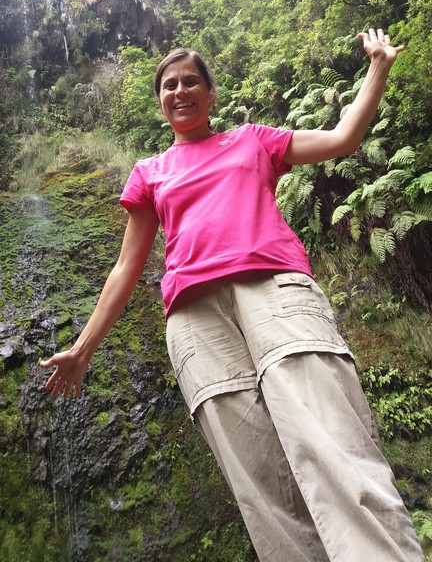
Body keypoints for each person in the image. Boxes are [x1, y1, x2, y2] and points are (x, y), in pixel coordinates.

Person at [41, 28, 425, 562]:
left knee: (330, 438)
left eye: (191, 81)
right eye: (170, 84)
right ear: (160, 101)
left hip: (273, 288)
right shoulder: (150, 172)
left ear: (210, 94)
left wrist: (378, 67)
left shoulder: (252, 140)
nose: (180, 90)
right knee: (262, 488)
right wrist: (83, 350)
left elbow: (341, 139)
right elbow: (127, 266)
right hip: (195, 322)